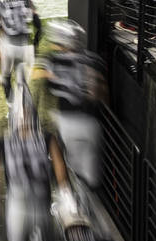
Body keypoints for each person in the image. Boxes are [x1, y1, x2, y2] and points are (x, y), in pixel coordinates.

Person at [0, 85, 69, 241]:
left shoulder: (2, 142)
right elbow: (61, 173)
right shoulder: (47, 138)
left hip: (20, 208)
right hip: (37, 206)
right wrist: (65, 195)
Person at [37, 20, 107, 191]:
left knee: (69, 168)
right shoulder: (93, 60)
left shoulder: (50, 61)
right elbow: (103, 92)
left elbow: (42, 87)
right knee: (91, 172)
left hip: (67, 122)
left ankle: (74, 204)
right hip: (91, 123)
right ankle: (89, 201)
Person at [0, 0, 41, 96]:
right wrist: (35, 45)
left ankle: (11, 107)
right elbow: (39, 25)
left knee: (6, 77)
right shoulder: (27, 2)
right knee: (22, 83)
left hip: (8, 47)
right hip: (25, 47)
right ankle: (23, 109)